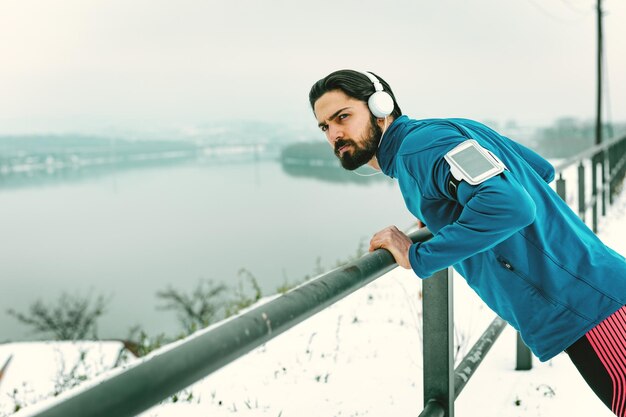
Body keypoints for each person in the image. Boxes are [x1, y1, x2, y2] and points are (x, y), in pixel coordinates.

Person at [308, 69, 626, 416]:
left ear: (380, 106)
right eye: (325, 126)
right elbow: (539, 170)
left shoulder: (419, 149)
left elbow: (511, 205)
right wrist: (444, 213)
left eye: (343, 117)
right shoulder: (441, 132)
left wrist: (418, 255)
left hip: (589, 306)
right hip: (594, 294)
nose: (335, 134)